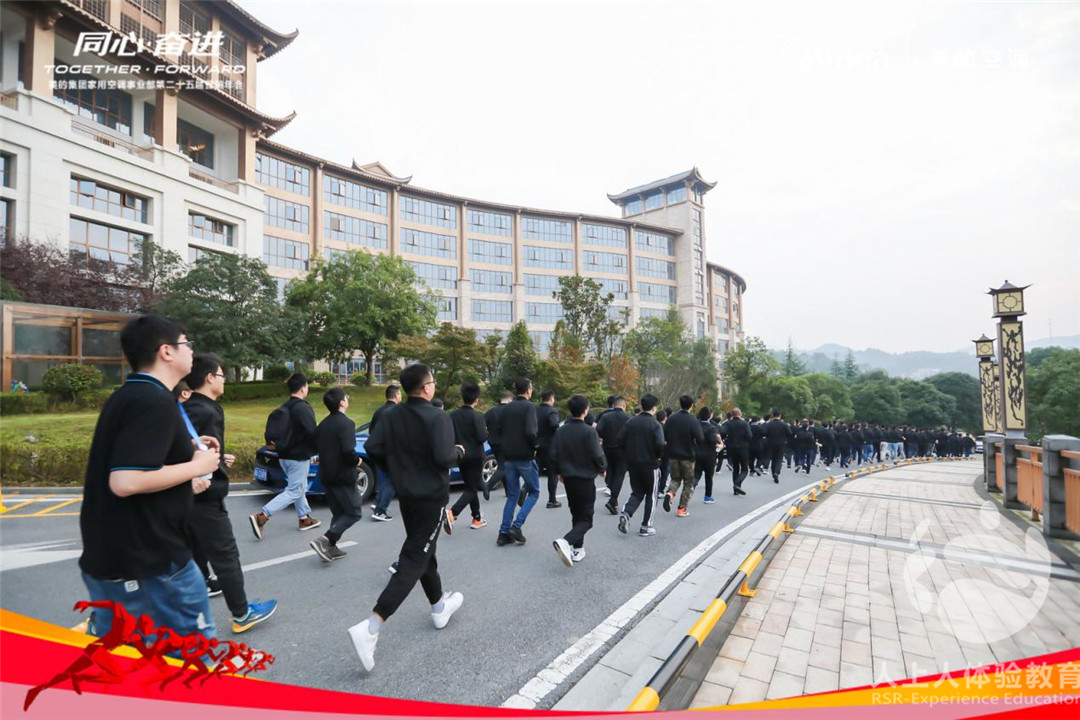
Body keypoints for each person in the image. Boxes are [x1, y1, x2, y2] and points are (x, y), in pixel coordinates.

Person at [78, 315, 221, 641]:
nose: (192, 351)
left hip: (118, 560)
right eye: (186, 343)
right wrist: (197, 466)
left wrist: (184, 447)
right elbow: (125, 481)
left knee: (128, 663)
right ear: (166, 351)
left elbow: (134, 454)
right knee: (191, 661)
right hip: (150, 565)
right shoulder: (153, 401)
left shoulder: (130, 395)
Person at [349, 364, 465, 672]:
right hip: (431, 498)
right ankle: (372, 625)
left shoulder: (392, 415)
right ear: (427, 387)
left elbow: (372, 446)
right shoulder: (438, 417)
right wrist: (459, 451)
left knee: (424, 552)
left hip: (407, 497)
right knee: (414, 558)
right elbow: (444, 457)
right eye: (433, 381)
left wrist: (396, 470)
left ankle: (439, 607)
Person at [183, 353, 277, 633]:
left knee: (194, 551)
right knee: (225, 555)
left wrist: (219, 458)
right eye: (222, 375)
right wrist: (198, 474)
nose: (224, 381)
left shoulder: (190, 407)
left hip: (187, 497)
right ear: (210, 377)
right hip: (205, 496)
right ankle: (241, 613)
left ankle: (192, 604)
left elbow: (191, 446)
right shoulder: (207, 410)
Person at [550, 395, 607, 566]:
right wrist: (602, 468)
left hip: (568, 478)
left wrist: (559, 472)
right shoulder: (589, 431)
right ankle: (566, 541)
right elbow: (597, 454)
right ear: (585, 410)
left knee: (577, 514)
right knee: (587, 519)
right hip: (585, 479)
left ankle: (578, 549)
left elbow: (553, 455)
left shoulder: (561, 431)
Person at [310, 387, 363, 562]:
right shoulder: (346, 423)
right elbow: (348, 451)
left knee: (339, 512)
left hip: (326, 474)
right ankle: (326, 539)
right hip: (343, 475)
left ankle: (330, 547)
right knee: (354, 512)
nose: (347, 399)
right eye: (346, 397)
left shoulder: (323, 425)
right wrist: (356, 461)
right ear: (342, 403)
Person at [496, 378, 539, 546]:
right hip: (524, 456)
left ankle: (503, 533)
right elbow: (531, 431)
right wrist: (535, 446)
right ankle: (516, 526)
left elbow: (500, 430)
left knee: (512, 495)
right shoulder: (529, 407)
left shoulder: (507, 408)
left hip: (508, 456)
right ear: (528, 390)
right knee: (534, 492)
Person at [617, 394, 666, 536]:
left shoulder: (631, 422)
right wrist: (658, 456)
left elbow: (620, 440)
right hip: (650, 464)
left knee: (637, 492)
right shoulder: (655, 424)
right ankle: (646, 525)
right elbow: (659, 444)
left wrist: (628, 453)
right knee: (651, 495)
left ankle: (627, 512)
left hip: (633, 463)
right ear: (654, 408)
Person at [447, 381, 489, 531]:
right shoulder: (477, 416)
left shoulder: (453, 415)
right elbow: (482, 437)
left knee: (470, 486)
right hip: (476, 457)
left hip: (461, 455)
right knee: (472, 488)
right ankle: (453, 513)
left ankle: (476, 518)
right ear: (476, 399)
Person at [661, 395, 704, 517]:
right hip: (688, 456)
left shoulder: (671, 418)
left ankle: (670, 494)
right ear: (691, 405)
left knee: (675, 479)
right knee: (688, 482)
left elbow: (664, 434)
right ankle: (682, 508)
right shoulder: (692, 420)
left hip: (672, 455)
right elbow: (700, 438)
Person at [369, 385, 401, 522]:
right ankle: (380, 510)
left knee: (388, 477)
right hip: (391, 451)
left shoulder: (379, 411)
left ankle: (378, 502)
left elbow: (371, 430)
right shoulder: (396, 412)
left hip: (377, 450)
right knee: (394, 480)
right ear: (397, 395)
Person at [595, 396, 630, 515]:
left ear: (614, 405)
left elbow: (598, 430)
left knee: (611, 471)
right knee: (619, 475)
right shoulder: (628, 418)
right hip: (622, 451)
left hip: (608, 448)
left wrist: (606, 437)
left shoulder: (606, 417)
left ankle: (610, 490)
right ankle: (613, 500)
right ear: (624, 406)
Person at [483, 391, 513, 499]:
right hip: (506, 442)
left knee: (503, 464)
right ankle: (488, 485)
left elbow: (483, 425)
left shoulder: (491, 411)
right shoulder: (510, 411)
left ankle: (508, 491)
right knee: (503, 466)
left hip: (492, 442)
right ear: (510, 400)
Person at [536, 390, 562, 509]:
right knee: (552, 473)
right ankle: (552, 500)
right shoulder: (552, 411)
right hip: (550, 445)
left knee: (537, 470)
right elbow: (554, 424)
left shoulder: (535, 410)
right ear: (551, 399)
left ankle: (525, 489)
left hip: (537, 444)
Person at [694, 407, 722, 503]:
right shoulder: (711, 428)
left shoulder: (696, 426)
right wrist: (719, 443)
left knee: (696, 474)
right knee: (709, 476)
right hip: (709, 455)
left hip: (697, 453)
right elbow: (712, 440)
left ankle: (691, 487)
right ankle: (707, 496)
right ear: (710, 415)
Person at [723, 408, 753, 495]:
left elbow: (723, 433)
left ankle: (736, 490)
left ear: (732, 414)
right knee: (744, 469)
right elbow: (749, 436)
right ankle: (737, 484)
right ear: (740, 414)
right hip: (743, 448)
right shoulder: (744, 423)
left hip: (732, 448)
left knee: (735, 468)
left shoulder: (728, 423)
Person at [763, 410, 790, 483]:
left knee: (773, 459)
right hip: (781, 444)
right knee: (779, 459)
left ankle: (773, 473)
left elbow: (764, 433)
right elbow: (789, 433)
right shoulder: (784, 424)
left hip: (771, 443)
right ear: (780, 415)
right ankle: (776, 472)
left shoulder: (769, 424)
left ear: (773, 415)